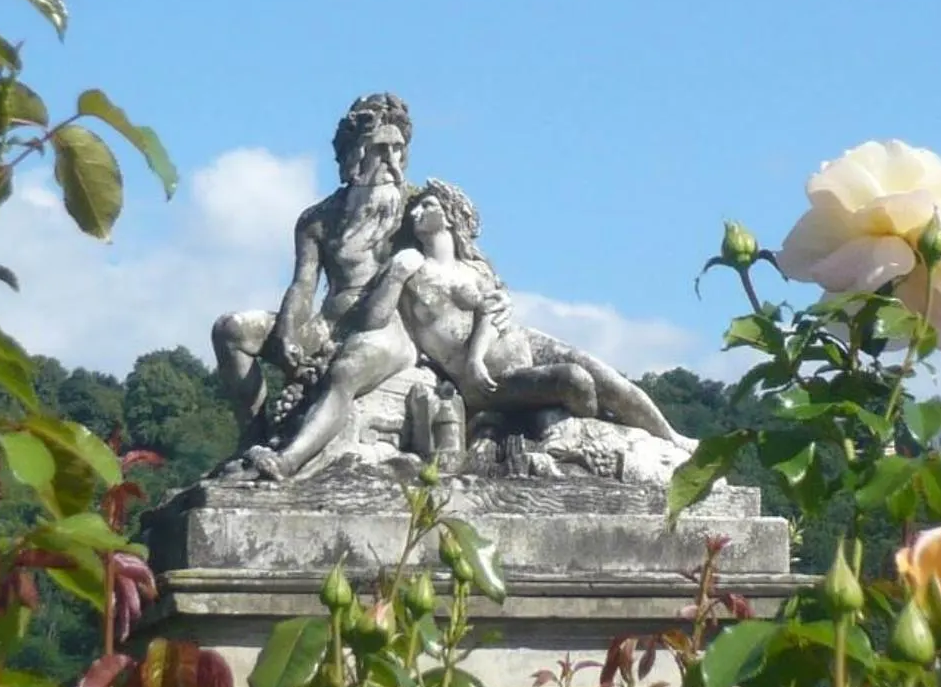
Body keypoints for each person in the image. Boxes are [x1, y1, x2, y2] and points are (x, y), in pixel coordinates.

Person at [363, 180, 690, 446]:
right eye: (417, 206)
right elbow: (376, 321)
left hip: (521, 343)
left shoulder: (475, 268)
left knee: (606, 376)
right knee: (575, 381)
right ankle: (577, 426)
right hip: (486, 380)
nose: (416, 212)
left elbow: (491, 312)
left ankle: (671, 437)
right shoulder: (410, 267)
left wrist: (478, 350)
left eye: (427, 205)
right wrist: (394, 275)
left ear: (449, 216)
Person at [211, 94, 415, 440]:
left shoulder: (416, 208)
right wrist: (288, 331)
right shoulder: (318, 220)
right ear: (355, 154)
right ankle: (255, 436)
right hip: (327, 325)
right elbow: (303, 285)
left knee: (345, 369)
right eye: (381, 150)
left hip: (386, 329)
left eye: (399, 149)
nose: (391, 161)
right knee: (230, 330)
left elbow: (459, 264)